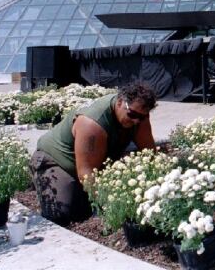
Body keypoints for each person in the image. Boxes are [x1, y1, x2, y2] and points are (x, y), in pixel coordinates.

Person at [30, 82, 158, 225]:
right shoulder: (92, 124)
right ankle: (43, 179)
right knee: (64, 213)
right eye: (132, 114)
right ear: (120, 102)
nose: (136, 121)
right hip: (56, 161)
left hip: (95, 162)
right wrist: (108, 204)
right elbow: (86, 172)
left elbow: (149, 154)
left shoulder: (139, 118)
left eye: (141, 117)